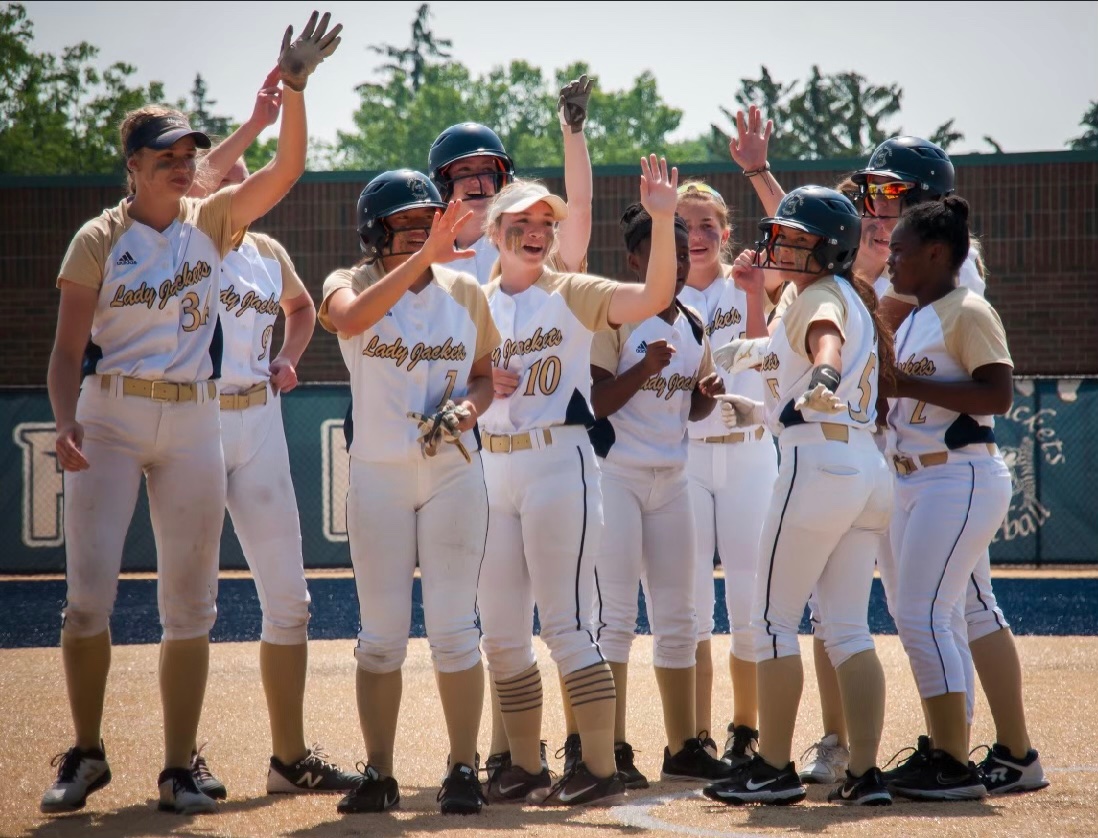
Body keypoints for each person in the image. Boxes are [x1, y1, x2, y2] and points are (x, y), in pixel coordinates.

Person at [40, 10, 342, 816]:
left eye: (188, 154)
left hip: (194, 423)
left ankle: (178, 767)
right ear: (133, 166)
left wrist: (299, 89)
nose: (183, 164)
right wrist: (64, 419)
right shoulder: (98, 239)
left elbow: (284, 171)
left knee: (190, 605)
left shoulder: (213, 224)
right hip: (109, 416)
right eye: (166, 155)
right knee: (87, 600)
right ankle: (88, 751)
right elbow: (69, 351)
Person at [475, 158, 679, 807]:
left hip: (557, 463)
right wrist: (478, 384)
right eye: (522, 220)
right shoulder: (473, 300)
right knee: (502, 632)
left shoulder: (570, 291)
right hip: (491, 467)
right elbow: (453, 380)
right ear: (494, 229)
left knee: (565, 623)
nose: (536, 230)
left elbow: (652, 297)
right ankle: (525, 766)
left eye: (546, 221)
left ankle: (597, 765)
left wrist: (665, 218)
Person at [702, 186, 894, 807]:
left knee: (773, 622)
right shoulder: (841, 293)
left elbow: (823, 341)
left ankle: (774, 768)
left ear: (825, 248)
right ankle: (865, 775)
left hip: (816, 467)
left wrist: (824, 373)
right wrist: (758, 392)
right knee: (847, 629)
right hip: (863, 466)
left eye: (793, 236)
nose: (778, 241)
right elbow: (799, 351)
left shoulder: (819, 298)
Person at [318, 171, 499, 816]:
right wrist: (425, 256)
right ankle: (380, 770)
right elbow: (349, 320)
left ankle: (461, 767)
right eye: (408, 225)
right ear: (375, 234)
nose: (425, 234)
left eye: (431, 222)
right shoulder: (350, 283)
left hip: (453, 469)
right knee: (381, 634)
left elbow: (483, 378)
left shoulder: (466, 291)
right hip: (379, 474)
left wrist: (468, 412)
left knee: (454, 627)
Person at [183, 154, 359, 798]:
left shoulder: (265, 249)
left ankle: (289, 760)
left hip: (259, 422)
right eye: (231, 177)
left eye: (248, 178)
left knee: (291, 602)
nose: (242, 186)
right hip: (194, 420)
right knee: (190, 607)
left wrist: (287, 357)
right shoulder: (189, 237)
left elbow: (302, 307)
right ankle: (184, 758)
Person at [883, 197, 1047, 799]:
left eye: (901, 249)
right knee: (920, 614)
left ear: (937, 252)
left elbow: (997, 395)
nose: (892, 259)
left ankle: (952, 762)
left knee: (926, 613)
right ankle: (948, 747)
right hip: (917, 479)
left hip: (959, 475)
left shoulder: (967, 309)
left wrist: (904, 382)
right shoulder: (918, 316)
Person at [586, 202, 733, 788]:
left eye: (678, 254)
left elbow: (691, 404)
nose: (671, 265)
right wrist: (645, 368)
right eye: (658, 254)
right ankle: (613, 747)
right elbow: (595, 403)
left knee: (679, 617)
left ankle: (683, 747)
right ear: (634, 260)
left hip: (673, 480)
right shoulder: (615, 314)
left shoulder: (695, 318)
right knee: (616, 618)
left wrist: (708, 394)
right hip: (616, 477)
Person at [674, 179, 780, 766]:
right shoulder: (656, 297)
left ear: (727, 232)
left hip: (746, 449)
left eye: (707, 225)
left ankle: (745, 728)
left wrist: (756, 292)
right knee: (688, 604)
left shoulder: (749, 284)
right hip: (686, 456)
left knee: (748, 598)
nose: (696, 235)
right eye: (684, 225)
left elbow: (766, 364)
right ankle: (693, 734)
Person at [427, 75, 593, 284]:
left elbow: (579, 208)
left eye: (487, 171)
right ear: (442, 183)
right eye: (465, 171)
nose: (477, 181)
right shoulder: (425, 260)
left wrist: (572, 131)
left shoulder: (533, 247)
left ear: (502, 180)